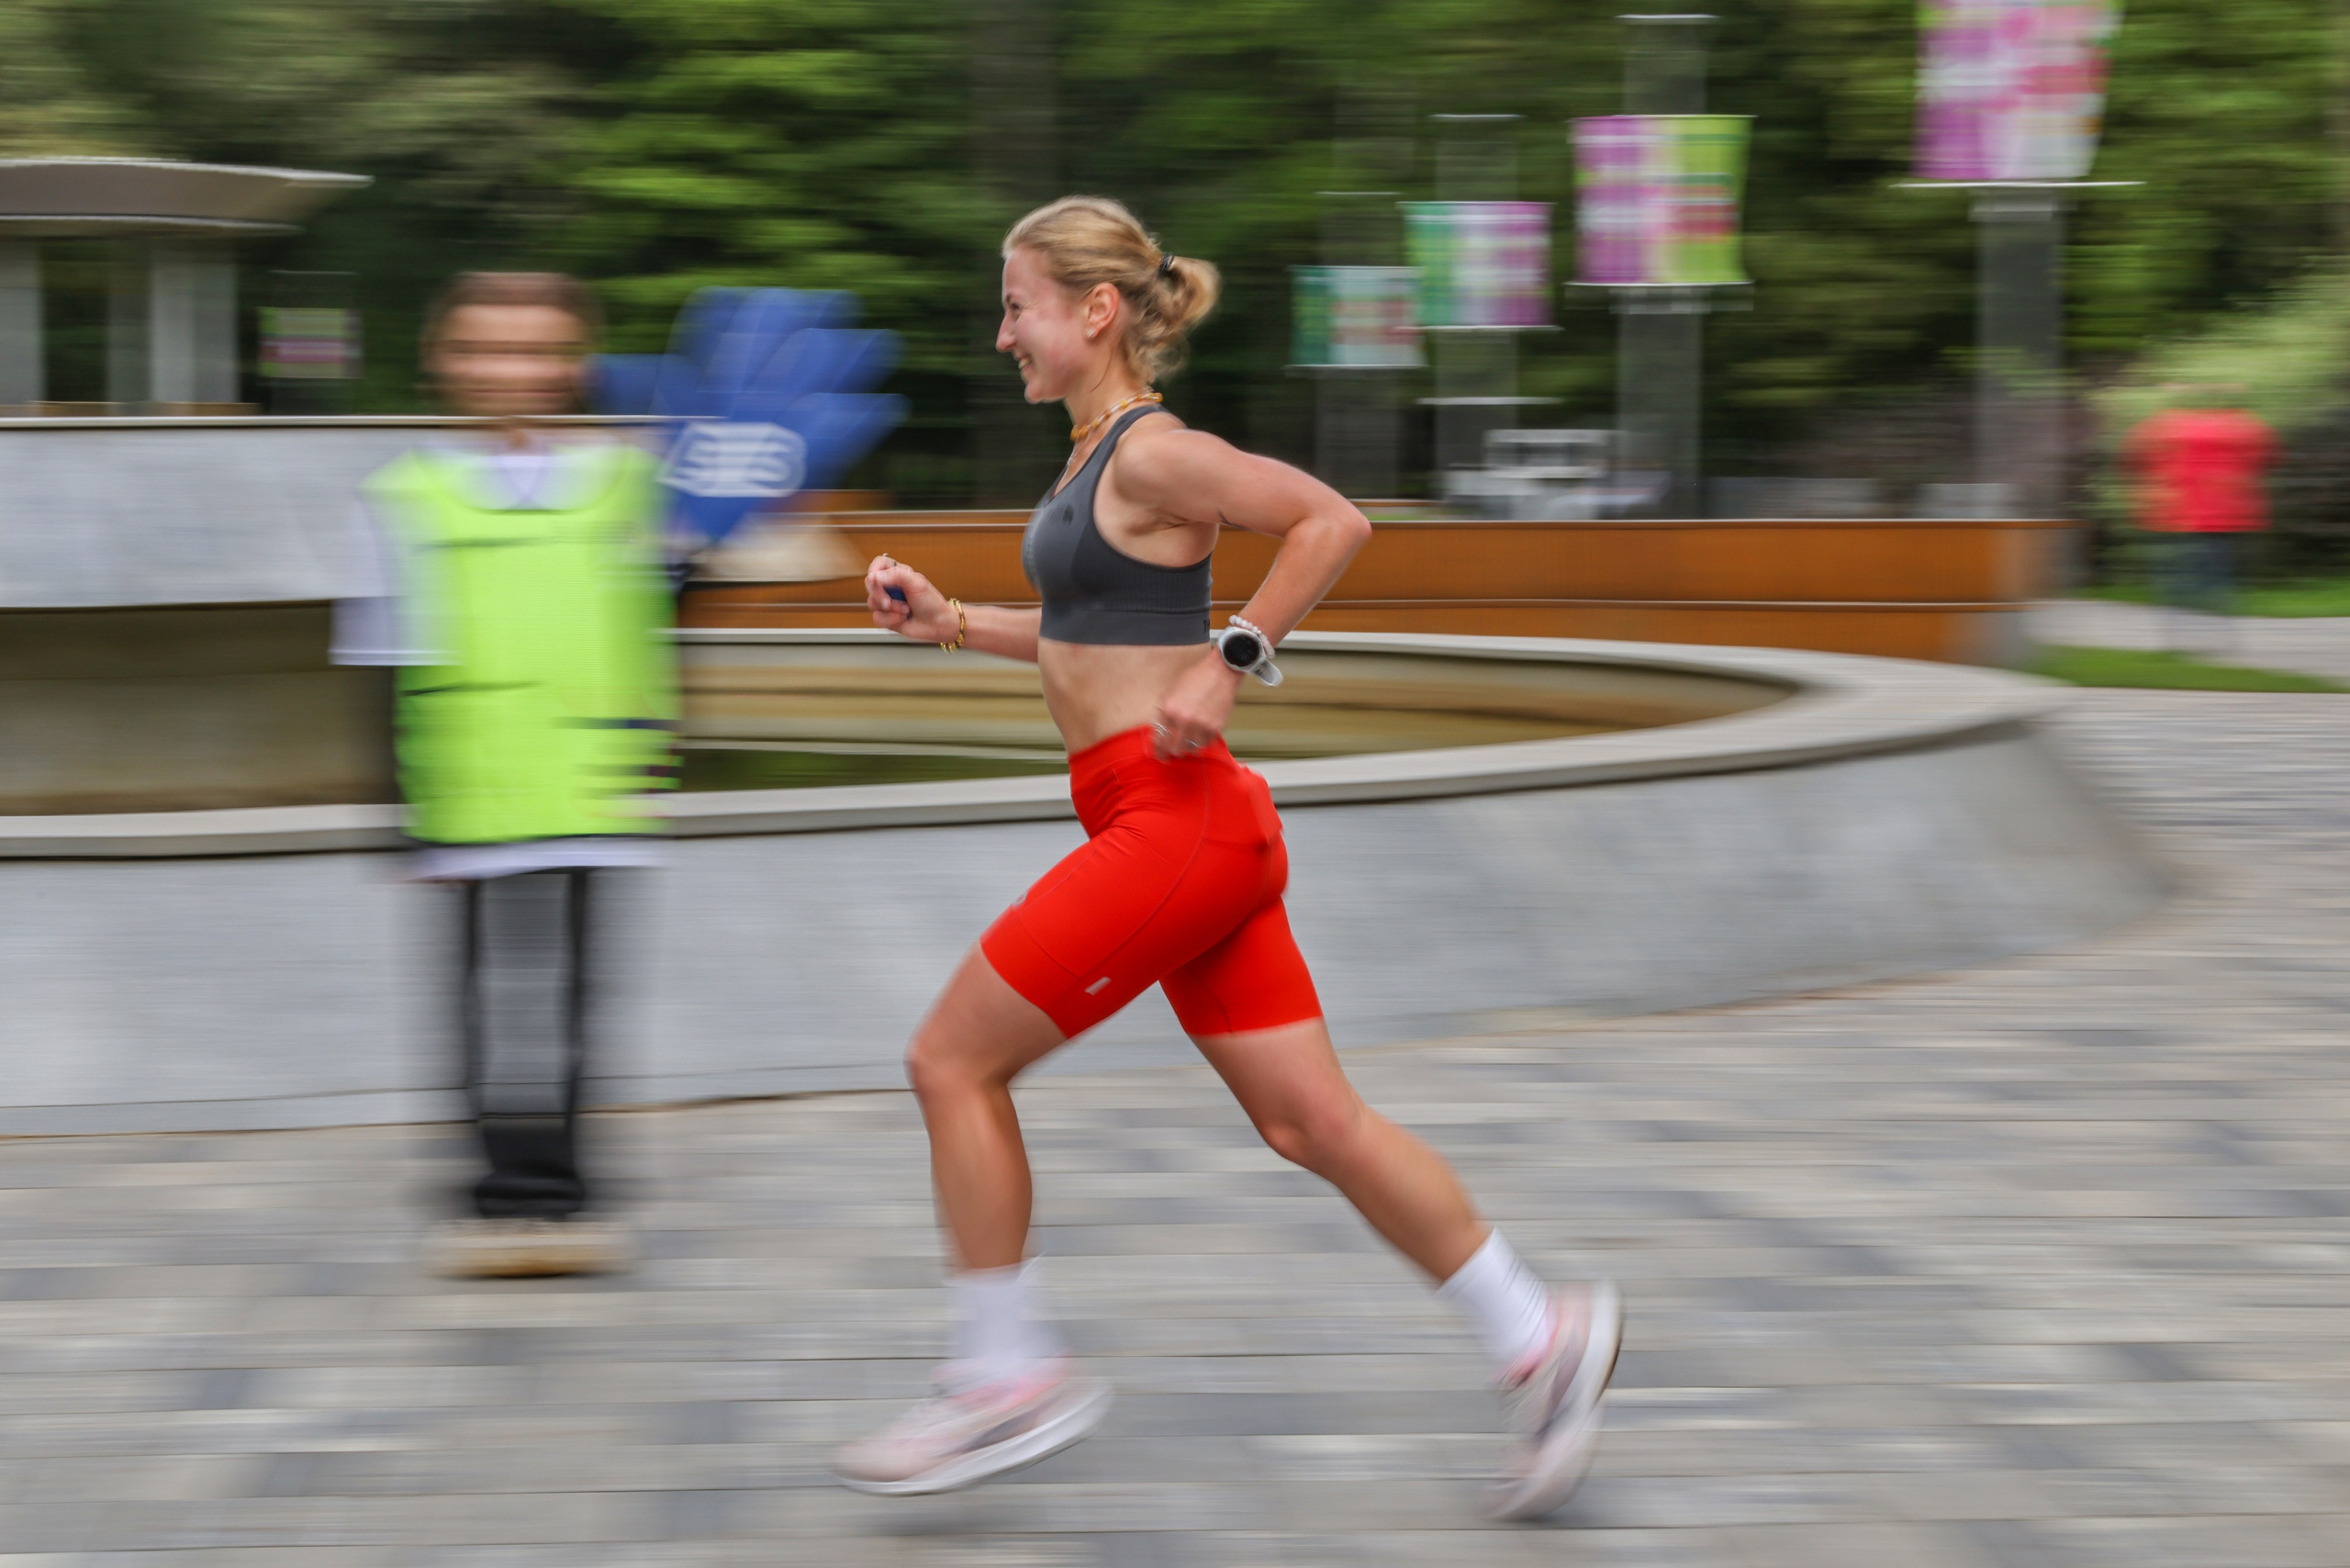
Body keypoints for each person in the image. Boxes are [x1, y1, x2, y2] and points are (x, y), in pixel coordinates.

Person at [831, 197, 1621, 1519]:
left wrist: (1234, 656)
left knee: (950, 1060)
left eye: (1017, 305)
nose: (1001, 332)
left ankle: (1002, 1373)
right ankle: (1539, 1335)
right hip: (1187, 828)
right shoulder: (1094, 461)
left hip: (1172, 819)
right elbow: (1094, 642)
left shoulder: (1154, 453)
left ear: (1093, 312)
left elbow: (1329, 521)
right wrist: (958, 624)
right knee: (1310, 1121)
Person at [334, 272, 677, 1279]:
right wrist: (396, 810)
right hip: (468, 789)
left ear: (576, 364)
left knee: (577, 994)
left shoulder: (628, 483)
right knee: (480, 997)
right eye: (486, 348)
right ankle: (496, 1189)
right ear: (444, 359)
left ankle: (562, 1185)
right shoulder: (402, 494)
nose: (512, 371)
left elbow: (657, 622)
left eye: (537, 350)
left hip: (592, 783)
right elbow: (375, 653)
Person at [2127, 386, 2277, 647]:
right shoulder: (2239, 425)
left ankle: (2180, 633)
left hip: (2174, 514)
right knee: (2215, 574)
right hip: (2221, 515)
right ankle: (2217, 633)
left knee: (2182, 575)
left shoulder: (2165, 425)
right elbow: (2267, 453)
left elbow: (2134, 454)